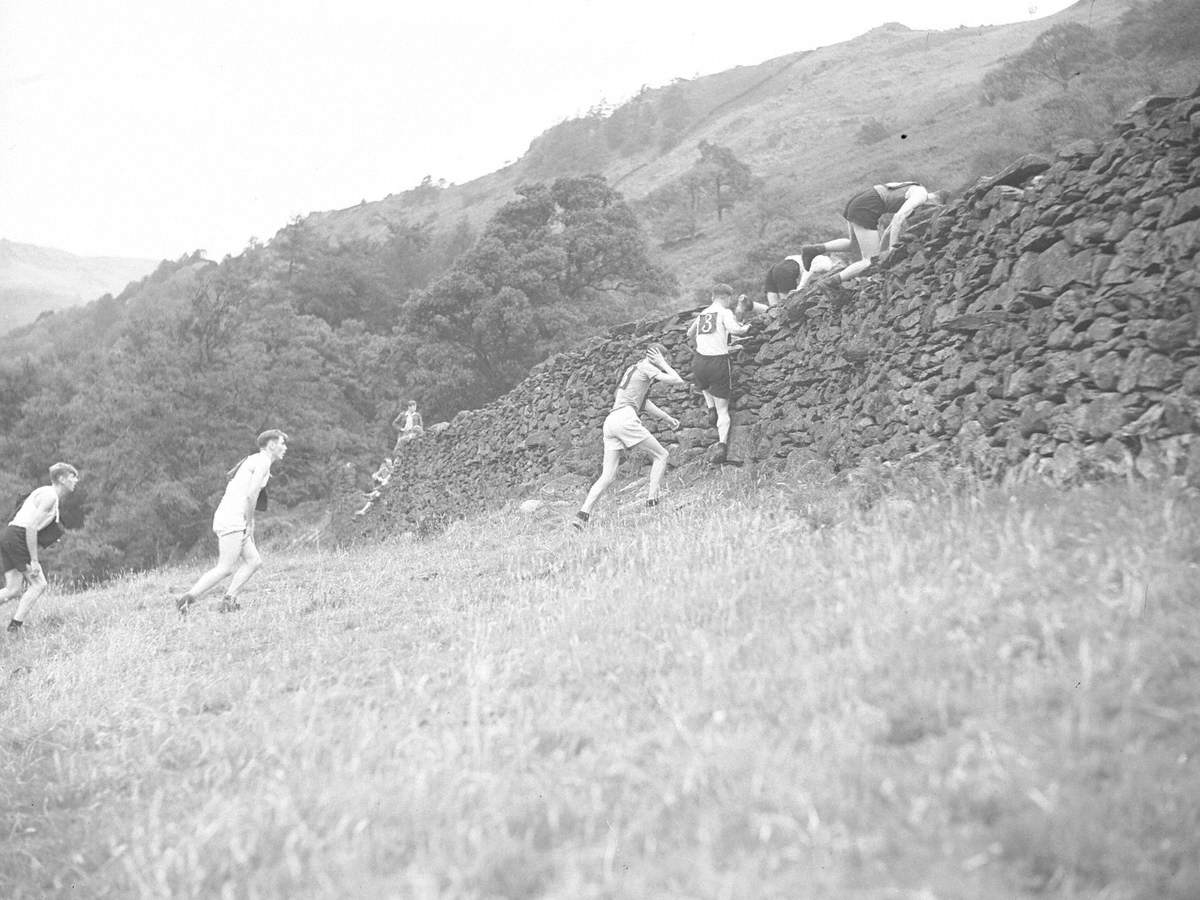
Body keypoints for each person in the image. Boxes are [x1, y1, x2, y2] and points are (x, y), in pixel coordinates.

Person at [175, 429, 287, 615]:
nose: (285, 447)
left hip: (232, 517)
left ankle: (229, 600)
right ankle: (185, 600)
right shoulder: (263, 461)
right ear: (271, 445)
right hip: (233, 518)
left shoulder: (255, 460)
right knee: (225, 568)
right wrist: (249, 523)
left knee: (253, 561)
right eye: (282, 443)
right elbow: (251, 495)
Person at [574, 344, 685, 528]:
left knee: (607, 476)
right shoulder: (648, 367)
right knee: (662, 455)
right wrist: (662, 362)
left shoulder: (632, 369)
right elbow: (677, 380)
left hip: (610, 421)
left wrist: (667, 418)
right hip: (625, 418)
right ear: (655, 356)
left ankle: (582, 515)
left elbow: (644, 402)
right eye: (662, 358)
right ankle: (652, 504)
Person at [800, 182, 944, 296]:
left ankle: (814, 249)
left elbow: (890, 229)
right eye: (933, 207)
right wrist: (892, 251)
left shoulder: (914, 187)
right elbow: (898, 218)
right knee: (870, 261)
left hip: (860, 200)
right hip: (868, 206)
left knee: (854, 245)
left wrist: (883, 247)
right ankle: (832, 282)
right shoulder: (921, 195)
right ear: (936, 201)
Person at [1, 462, 78, 633]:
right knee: (39, 584)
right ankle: (14, 628)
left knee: (13, 589)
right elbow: (31, 527)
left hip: (10, 535)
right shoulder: (50, 496)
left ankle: (14, 627)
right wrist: (34, 560)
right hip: (18, 537)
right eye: (73, 476)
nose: (76, 480)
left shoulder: (47, 494)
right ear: (61, 479)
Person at [687, 283, 751, 465]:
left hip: (699, 361)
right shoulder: (724, 312)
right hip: (717, 362)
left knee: (704, 386)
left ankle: (710, 408)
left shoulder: (703, 314)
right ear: (726, 297)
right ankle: (722, 445)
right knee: (724, 411)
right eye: (730, 298)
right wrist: (746, 328)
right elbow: (736, 330)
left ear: (712, 297)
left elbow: (689, 333)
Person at [763, 253, 835, 306]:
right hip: (788, 268)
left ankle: (772, 317)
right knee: (785, 303)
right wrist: (800, 287)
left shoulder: (814, 257)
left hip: (776, 267)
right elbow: (809, 270)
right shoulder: (827, 263)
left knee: (773, 304)